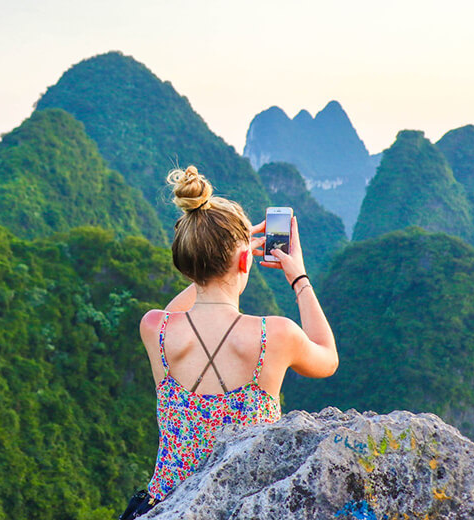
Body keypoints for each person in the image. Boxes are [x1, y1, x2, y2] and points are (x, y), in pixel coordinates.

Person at [119, 166, 338, 519]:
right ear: (243, 259)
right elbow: (328, 359)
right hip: (244, 510)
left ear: (189, 261)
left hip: (164, 508)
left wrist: (220, 252)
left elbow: (178, 305)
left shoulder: (155, 329)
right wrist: (298, 276)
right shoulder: (276, 335)